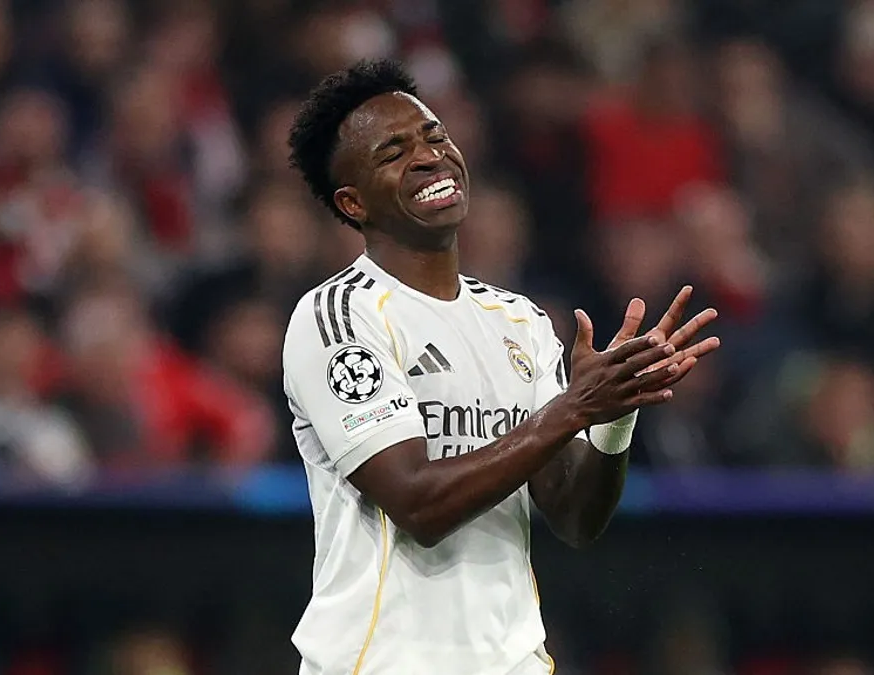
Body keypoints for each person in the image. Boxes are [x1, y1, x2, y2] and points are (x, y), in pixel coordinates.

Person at [282, 59, 720, 675]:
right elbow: (418, 503)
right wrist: (574, 408)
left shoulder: (519, 321)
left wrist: (613, 414)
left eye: (435, 135)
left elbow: (573, 517)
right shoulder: (338, 318)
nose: (430, 157)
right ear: (353, 203)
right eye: (394, 153)